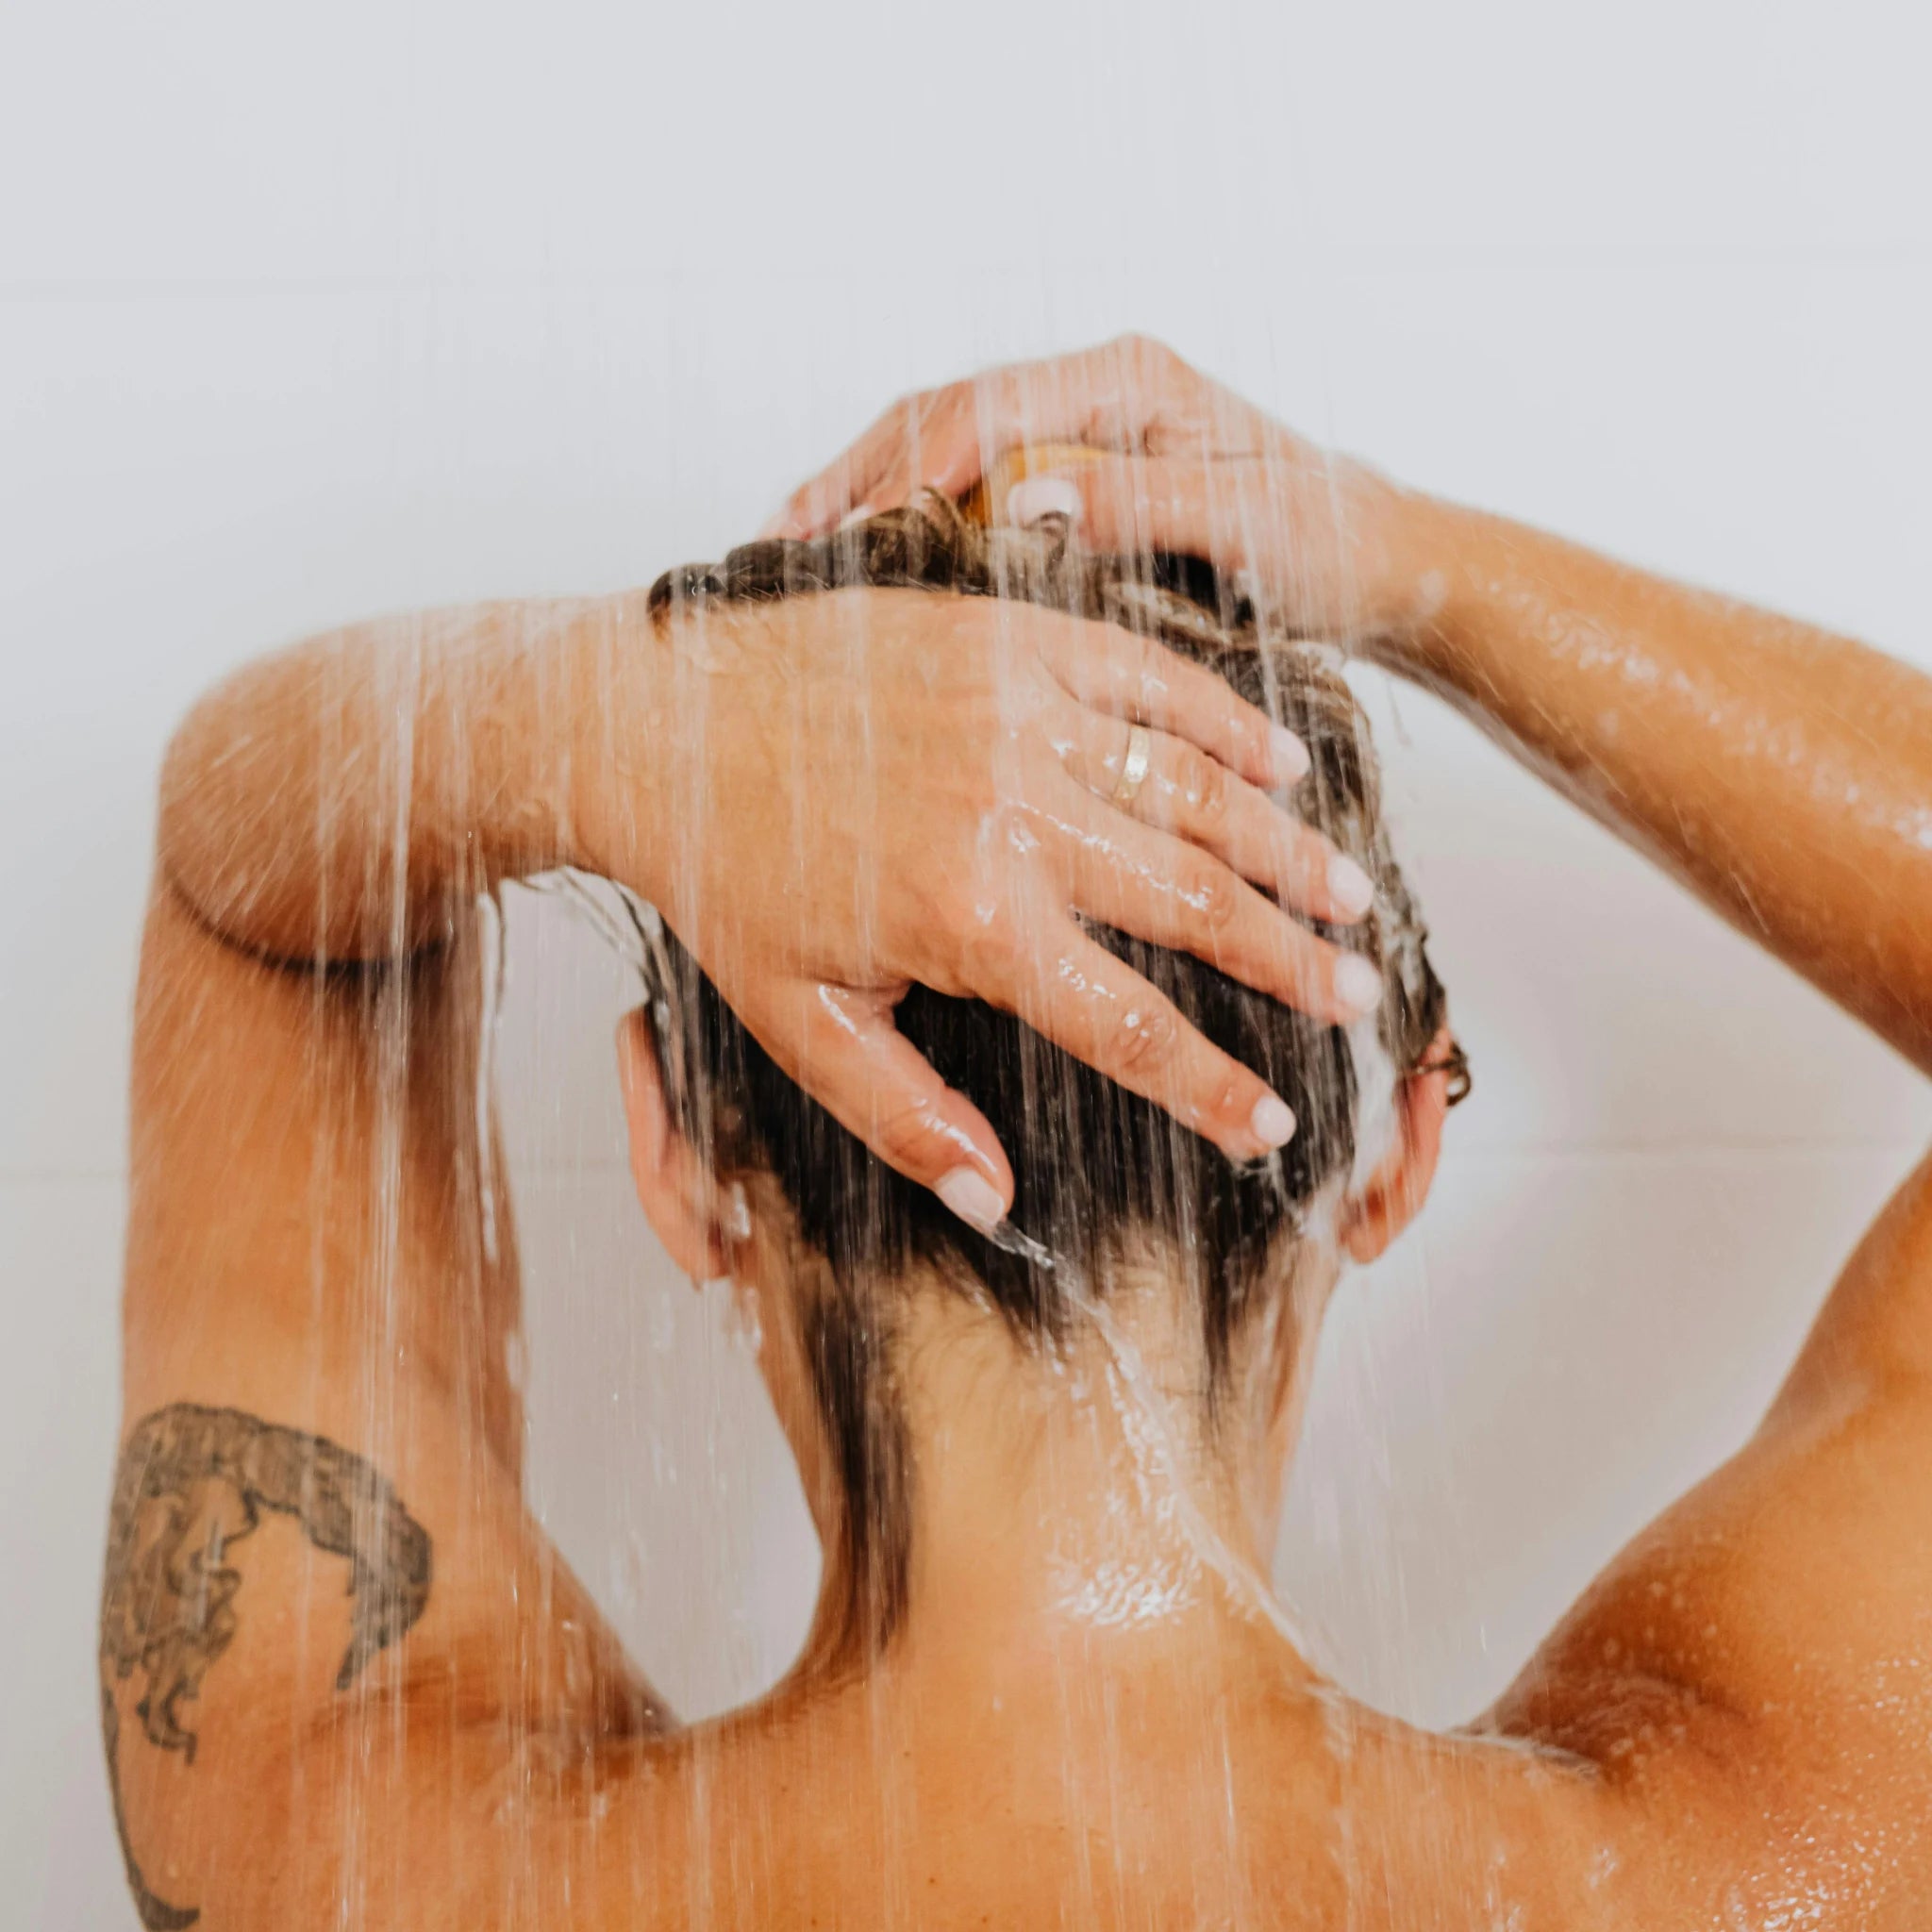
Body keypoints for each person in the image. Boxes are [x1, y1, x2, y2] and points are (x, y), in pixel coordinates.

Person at [102, 335, 1932, 1927]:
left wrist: (616, 714)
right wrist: (1408, 562)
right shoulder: (1735, 1861)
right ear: (1392, 1148)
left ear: (673, 1151)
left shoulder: (367, 1864)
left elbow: (242, 876)